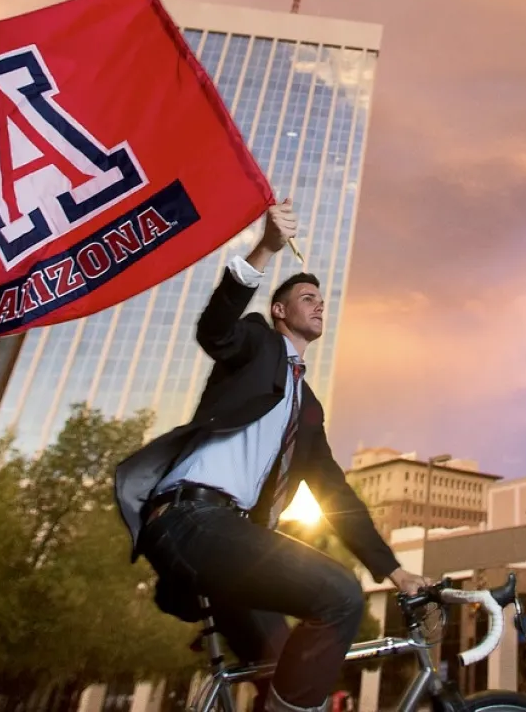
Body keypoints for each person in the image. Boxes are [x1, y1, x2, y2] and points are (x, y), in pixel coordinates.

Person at [115, 199, 427, 712]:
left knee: (289, 673)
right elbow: (215, 330)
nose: (320, 304)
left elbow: (334, 494)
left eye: (323, 299)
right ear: (279, 311)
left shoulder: (308, 409)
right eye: (308, 297)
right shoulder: (257, 345)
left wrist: (394, 572)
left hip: (232, 539)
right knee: (340, 595)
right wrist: (265, 249)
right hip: (189, 519)